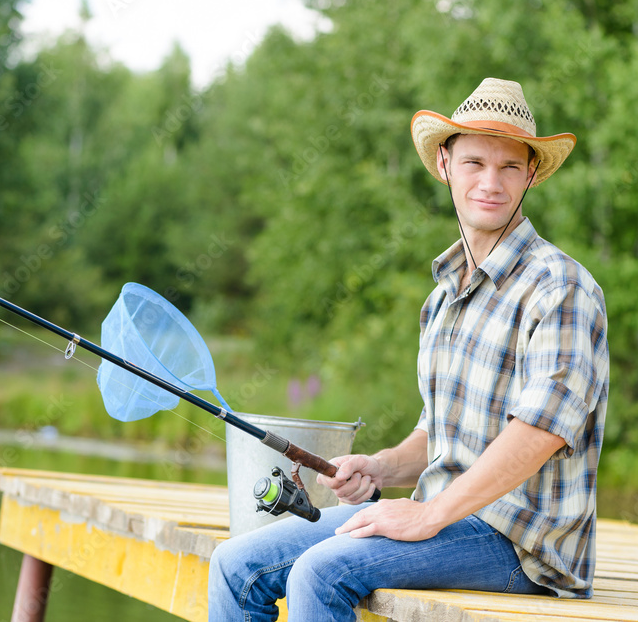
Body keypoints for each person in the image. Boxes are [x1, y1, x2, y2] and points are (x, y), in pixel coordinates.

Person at [208, 78, 610, 621]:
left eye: (510, 167)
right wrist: (377, 467)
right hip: (443, 516)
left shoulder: (561, 287)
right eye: (474, 162)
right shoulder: (443, 297)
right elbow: (439, 433)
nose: (491, 182)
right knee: (233, 565)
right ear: (444, 163)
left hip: (524, 548)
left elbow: (540, 432)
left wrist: (428, 516)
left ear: (531, 173)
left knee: (321, 572)